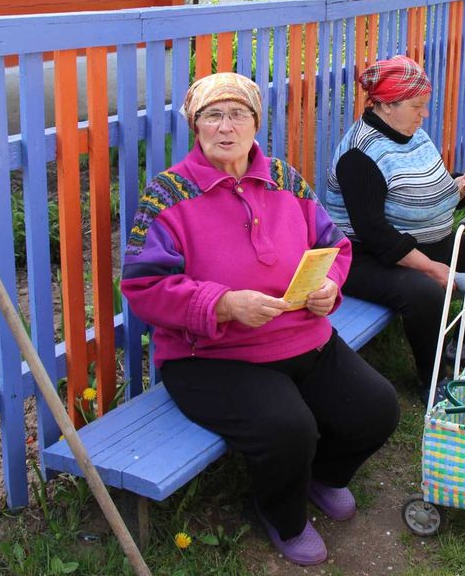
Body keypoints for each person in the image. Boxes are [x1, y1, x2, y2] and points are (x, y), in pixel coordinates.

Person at [120, 72, 400, 566]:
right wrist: (223, 305)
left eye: (238, 114)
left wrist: (329, 285)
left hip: (302, 336)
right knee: (288, 429)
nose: (225, 127)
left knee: (376, 409)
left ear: (255, 123)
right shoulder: (167, 195)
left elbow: (333, 243)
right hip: (212, 355)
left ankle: (323, 477)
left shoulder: (285, 179)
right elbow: (143, 287)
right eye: (212, 116)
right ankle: (282, 515)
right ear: (195, 126)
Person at [321, 55, 465, 406]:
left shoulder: (411, 134)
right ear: (386, 105)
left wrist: (459, 186)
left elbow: (427, 190)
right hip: (361, 255)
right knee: (424, 292)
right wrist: (430, 268)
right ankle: (433, 380)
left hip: (414, 241)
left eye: (424, 106)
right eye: (417, 106)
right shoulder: (359, 156)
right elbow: (375, 233)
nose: (423, 115)